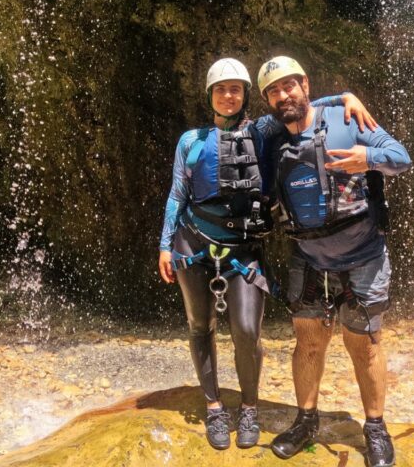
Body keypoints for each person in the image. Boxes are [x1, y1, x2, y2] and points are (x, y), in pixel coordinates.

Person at [158, 58, 376, 451]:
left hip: (242, 249)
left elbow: (300, 106)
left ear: (244, 96)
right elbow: (178, 193)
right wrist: (164, 244)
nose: (228, 96)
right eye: (221, 90)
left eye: (235, 89)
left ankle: (249, 408)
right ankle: (213, 407)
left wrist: (345, 96)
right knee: (199, 326)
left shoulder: (261, 131)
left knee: (246, 330)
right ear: (210, 95)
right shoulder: (191, 140)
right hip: (192, 245)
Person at [259, 56, 411, 467]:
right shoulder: (271, 138)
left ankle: (375, 427)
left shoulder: (347, 118)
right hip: (308, 257)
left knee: (363, 345)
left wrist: (369, 158)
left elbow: (401, 157)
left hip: (363, 254)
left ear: (305, 83)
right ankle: (306, 420)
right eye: (274, 90)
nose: (284, 94)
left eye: (290, 85)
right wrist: (341, 92)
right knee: (307, 343)